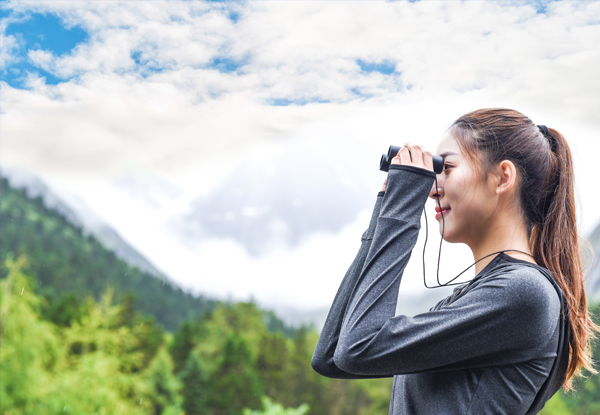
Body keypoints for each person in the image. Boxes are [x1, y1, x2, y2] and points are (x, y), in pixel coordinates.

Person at [311, 108, 597, 414]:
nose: (433, 189)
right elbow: (331, 355)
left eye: (446, 167)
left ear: (502, 177)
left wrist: (403, 206)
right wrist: (386, 211)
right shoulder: (481, 296)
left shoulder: (524, 292)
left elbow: (359, 348)